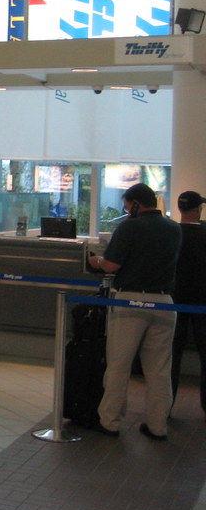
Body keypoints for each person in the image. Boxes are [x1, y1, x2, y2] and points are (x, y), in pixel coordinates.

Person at [88, 182, 181, 439]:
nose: (127, 211)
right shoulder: (174, 229)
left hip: (130, 301)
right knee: (159, 369)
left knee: (119, 364)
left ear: (136, 204)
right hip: (165, 303)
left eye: (128, 206)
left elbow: (111, 265)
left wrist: (95, 260)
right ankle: (157, 425)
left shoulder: (130, 226)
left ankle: (110, 422)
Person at [171, 190, 206, 417]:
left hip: (174, 300)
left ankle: (166, 404)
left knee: (171, 355)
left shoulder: (172, 233)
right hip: (203, 301)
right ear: (198, 209)